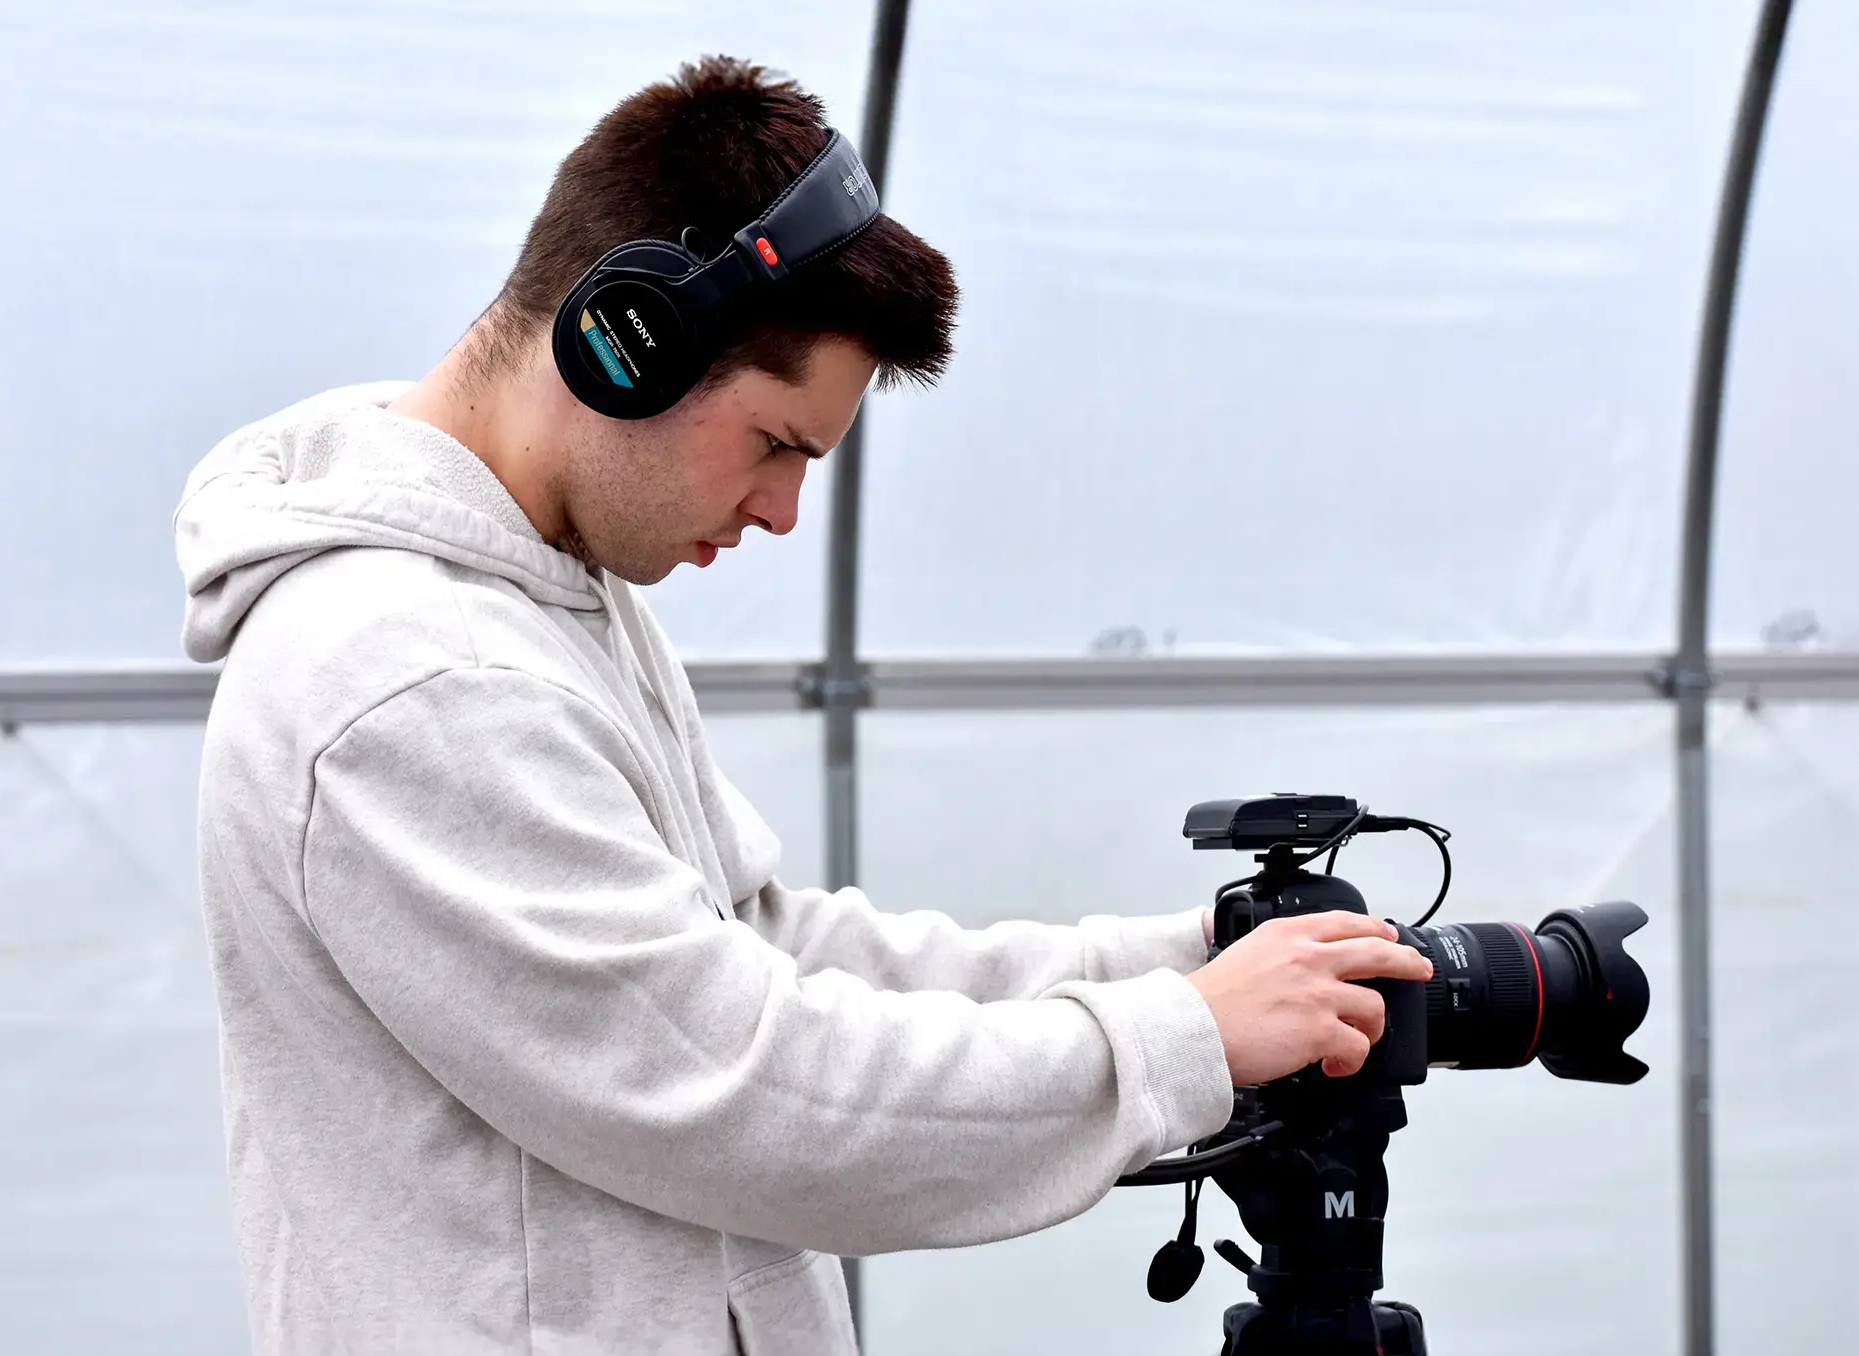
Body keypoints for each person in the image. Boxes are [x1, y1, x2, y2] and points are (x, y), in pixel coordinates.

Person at [172, 57, 1426, 1354]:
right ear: (627, 343)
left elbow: (762, 953)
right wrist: (1181, 1040)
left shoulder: (550, 607)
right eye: (777, 444)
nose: (782, 513)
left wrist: (1194, 959)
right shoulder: (409, 679)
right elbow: (743, 1082)